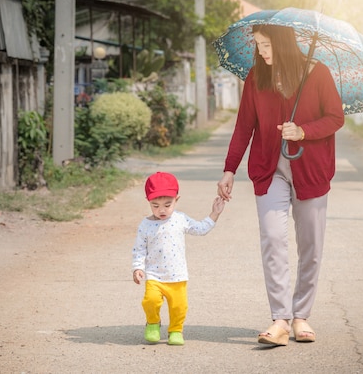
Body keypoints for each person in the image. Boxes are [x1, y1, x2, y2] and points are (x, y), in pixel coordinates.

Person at [216, 24, 344, 346]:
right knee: (273, 238)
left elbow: (335, 117)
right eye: (258, 45)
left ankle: (301, 316)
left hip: (311, 171)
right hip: (268, 168)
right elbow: (244, 126)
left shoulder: (317, 73)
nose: (262, 52)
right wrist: (229, 169)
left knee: (311, 245)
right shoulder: (256, 78)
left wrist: (303, 131)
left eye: (267, 46)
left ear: (284, 43)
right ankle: (281, 319)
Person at [132, 172, 225, 345]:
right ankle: (153, 323)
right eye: (155, 205)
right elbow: (139, 250)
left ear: (177, 199)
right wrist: (138, 268)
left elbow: (200, 229)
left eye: (168, 204)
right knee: (150, 301)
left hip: (177, 276)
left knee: (179, 307)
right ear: (148, 201)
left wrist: (215, 214)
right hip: (154, 276)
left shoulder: (180, 219)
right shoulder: (145, 225)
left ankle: (175, 330)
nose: (161, 210)